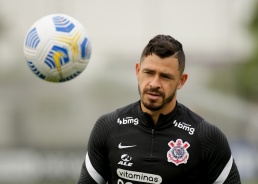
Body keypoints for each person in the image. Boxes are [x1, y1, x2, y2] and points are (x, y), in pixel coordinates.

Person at [77, 35, 241, 184]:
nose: (154, 83)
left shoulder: (206, 137)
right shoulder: (108, 127)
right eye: (149, 73)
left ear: (181, 81)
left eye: (165, 76)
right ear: (137, 71)